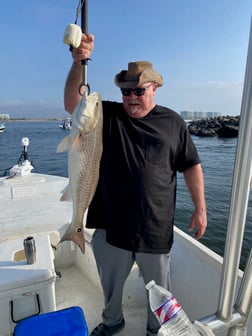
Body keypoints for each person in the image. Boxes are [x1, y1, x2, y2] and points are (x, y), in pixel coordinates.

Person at [64, 33, 207, 336]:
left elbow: (191, 164)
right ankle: (112, 321)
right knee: (110, 287)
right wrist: (79, 63)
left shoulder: (173, 123)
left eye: (138, 91)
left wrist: (200, 208)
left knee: (160, 295)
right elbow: (73, 103)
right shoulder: (110, 114)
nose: (130, 97)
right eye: (126, 91)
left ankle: (156, 331)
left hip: (154, 227)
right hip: (111, 224)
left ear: (154, 88)